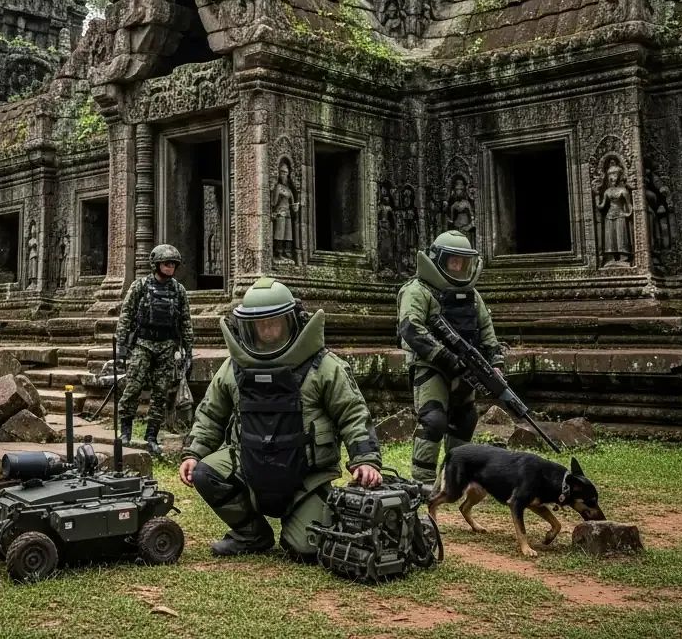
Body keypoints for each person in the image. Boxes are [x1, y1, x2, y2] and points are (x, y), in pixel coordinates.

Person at [179, 277, 382, 558]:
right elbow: (211, 414)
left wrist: (366, 459)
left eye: (274, 323)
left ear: (293, 322)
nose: (268, 331)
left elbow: (353, 413)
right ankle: (251, 534)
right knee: (205, 473)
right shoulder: (232, 368)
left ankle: (305, 520)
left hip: (306, 480)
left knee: (306, 549)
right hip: (248, 466)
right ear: (246, 328)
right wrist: (193, 453)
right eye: (259, 326)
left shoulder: (324, 367)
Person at [397, 230, 503, 489]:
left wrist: (496, 364)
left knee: (465, 420)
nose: (457, 266)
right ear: (439, 260)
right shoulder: (417, 290)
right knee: (433, 420)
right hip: (431, 366)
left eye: (462, 262)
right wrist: (446, 358)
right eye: (452, 261)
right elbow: (412, 329)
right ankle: (421, 484)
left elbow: (486, 331)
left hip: (466, 369)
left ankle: (454, 481)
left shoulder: (472, 295)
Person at [114, 243, 193, 456]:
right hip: (143, 344)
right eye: (166, 263)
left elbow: (185, 321)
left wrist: (188, 350)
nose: (170, 267)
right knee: (133, 387)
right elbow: (126, 315)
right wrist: (121, 347)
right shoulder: (139, 287)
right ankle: (125, 433)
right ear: (156, 265)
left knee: (161, 393)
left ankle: (151, 437)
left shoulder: (178, 290)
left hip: (167, 346)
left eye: (173, 264)